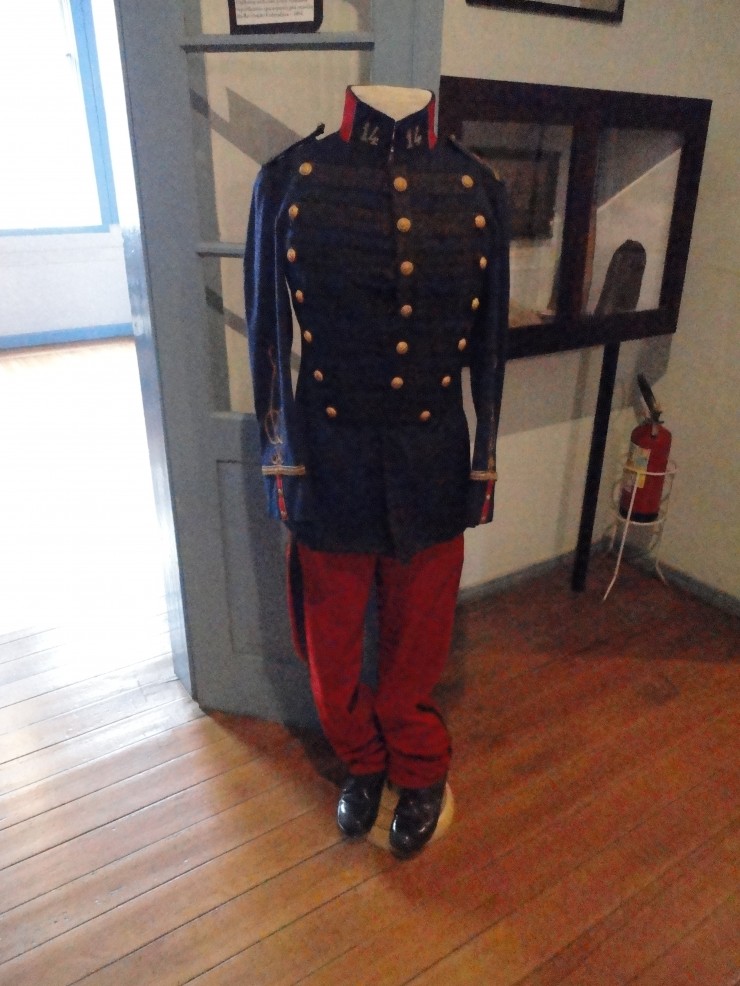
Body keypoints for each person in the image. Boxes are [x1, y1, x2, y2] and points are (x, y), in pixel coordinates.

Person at [244, 85, 509, 857]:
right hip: (327, 454)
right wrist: (279, 456)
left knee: (417, 647)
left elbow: (491, 344)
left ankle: (419, 767)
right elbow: (267, 333)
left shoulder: (476, 185)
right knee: (328, 653)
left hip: (432, 456)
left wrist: (485, 459)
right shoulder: (289, 179)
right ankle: (361, 760)